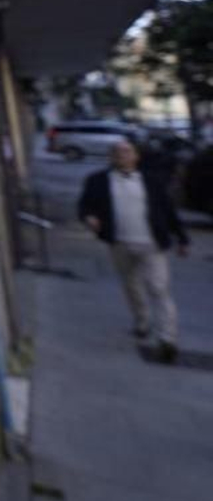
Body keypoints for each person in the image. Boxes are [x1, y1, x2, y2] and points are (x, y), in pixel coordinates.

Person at [79, 140, 190, 363]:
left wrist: (182, 238)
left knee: (158, 288)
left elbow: (168, 209)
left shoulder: (152, 181)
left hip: (151, 243)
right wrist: (89, 218)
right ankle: (142, 321)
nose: (121, 155)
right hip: (119, 242)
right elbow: (84, 206)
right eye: (116, 152)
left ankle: (167, 339)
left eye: (126, 151)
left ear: (136, 156)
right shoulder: (97, 181)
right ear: (111, 157)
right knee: (131, 285)